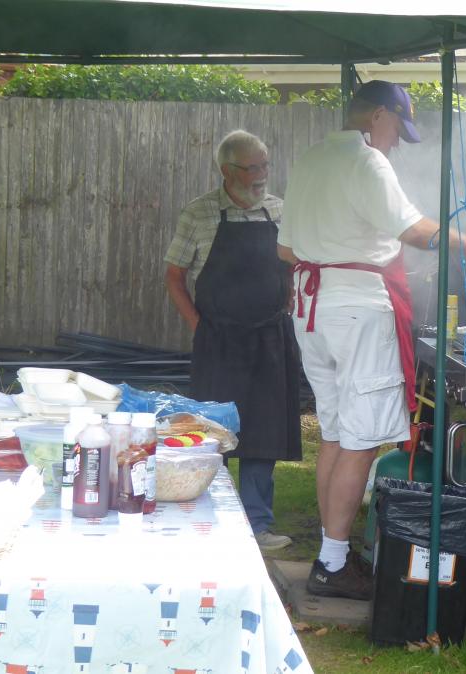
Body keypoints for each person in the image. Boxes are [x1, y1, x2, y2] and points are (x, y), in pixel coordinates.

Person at [278, 81, 466, 599]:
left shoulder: (310, 159)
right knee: (362, 440)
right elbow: (414, 231)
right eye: (397, 129)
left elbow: (286, 250)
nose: (395, 143)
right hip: (356, 312)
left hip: (311, 309)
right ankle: (332, 564)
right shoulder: (367, 163)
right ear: (376, 117)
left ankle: (333, 554)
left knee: (335, 431)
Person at [164, 130, 302, 552]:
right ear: (227, 170)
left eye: (265, 165)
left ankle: (258, 524)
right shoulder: (199, 213)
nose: (262, 174)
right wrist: (198, 325)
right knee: (212, 432)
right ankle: (208, 519)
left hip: (270, 338)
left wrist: (290, 300)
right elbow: (174, 274)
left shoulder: (280, 210)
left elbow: (295, 264)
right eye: (253, 167)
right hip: (218, 339)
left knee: (265, 429)